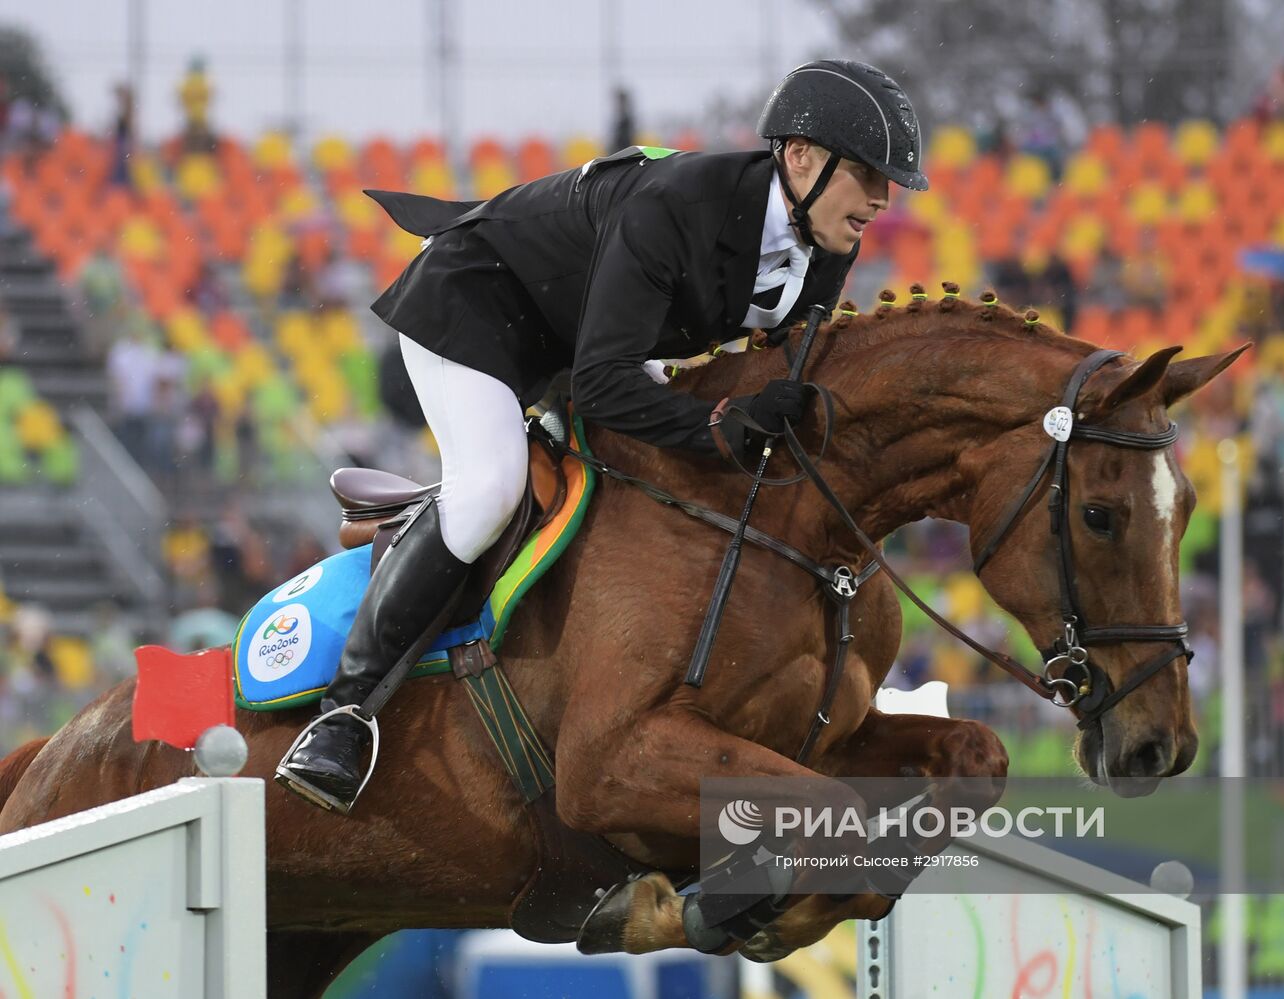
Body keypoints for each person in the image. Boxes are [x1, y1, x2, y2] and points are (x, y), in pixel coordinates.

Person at [276, 59, 928, 812]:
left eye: (888, 183)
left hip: (585, 332)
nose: (882, 199)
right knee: (491, 488)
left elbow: (767, 378)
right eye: (869, 176)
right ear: (802, 157)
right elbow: (600, 384)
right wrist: (716, 426)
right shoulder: (680, 206)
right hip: (478, 307)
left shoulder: (826, 240)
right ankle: (343, 715)